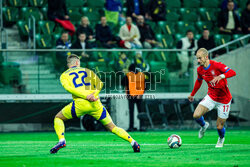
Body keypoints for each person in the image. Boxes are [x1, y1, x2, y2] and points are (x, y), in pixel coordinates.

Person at [50, 54, 140, 154]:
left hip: (80, 104)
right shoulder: (87, 71)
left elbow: (69, 88)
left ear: (68, 64)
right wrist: (93, 95)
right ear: (77, 62)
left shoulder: (64, 75)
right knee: (112, 127)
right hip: (95, 103)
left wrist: (86, 96)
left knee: (58, 118)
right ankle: (133, 142)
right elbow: (100, 84)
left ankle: (62, 140)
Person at [188, 48, 236, 148]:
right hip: (211, 96)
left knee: (219, 126)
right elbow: (199, 81)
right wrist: (192, 94)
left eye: (200, 58)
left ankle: (221, 138)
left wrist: (221, 76)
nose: (198, 60)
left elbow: (232, 72)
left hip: (224, 100)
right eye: (197, 58)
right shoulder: (199, 69)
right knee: (196, 115)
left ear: (206, 57)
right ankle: (204, 125)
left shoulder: (217, 65)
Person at [122, 64, 146, 131]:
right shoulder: (142, 75)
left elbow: (123, 83)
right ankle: (142, 127)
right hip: (140, 96)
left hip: (131, 96)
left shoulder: (128, 75)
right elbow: (145, 86)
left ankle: (131, 127)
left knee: (131, 112)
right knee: (141, 112)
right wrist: (141, 94)